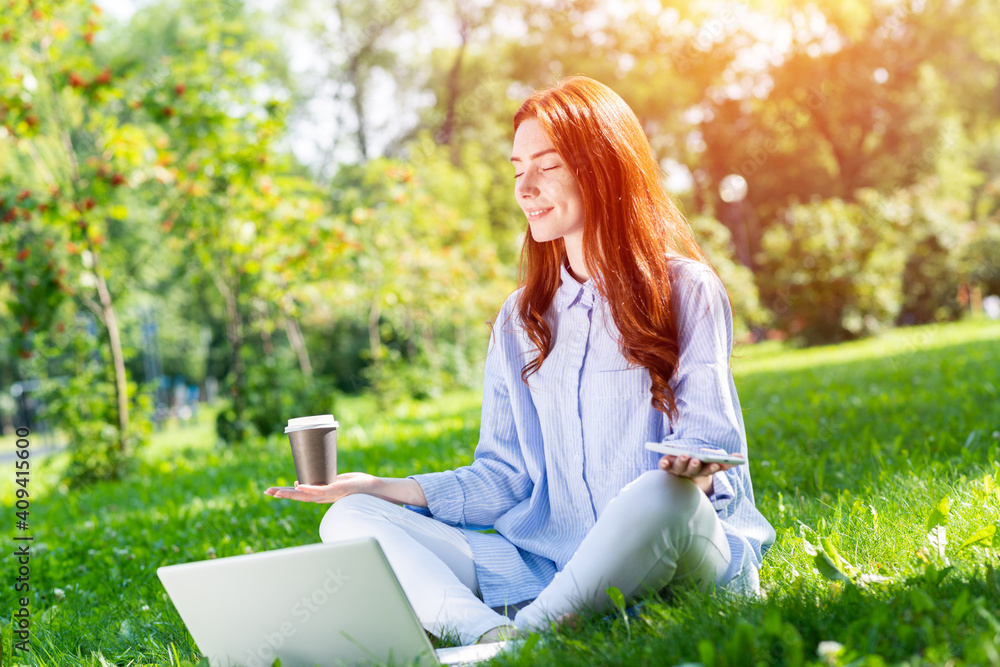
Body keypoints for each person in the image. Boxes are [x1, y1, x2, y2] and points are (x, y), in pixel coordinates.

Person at [265, 76, 775, 646]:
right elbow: (503, 476)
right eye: (517, 170)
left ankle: (526, 641)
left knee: (658, 494)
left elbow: (710, 437)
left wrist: (695, 466)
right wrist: (382, 487)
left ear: (604, 168)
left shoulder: (685, 288)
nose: (526, 187)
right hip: (544, 565)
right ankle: (484, 635)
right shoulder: (521, 318)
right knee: (349, 519)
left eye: (548, 166)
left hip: (677, 548)